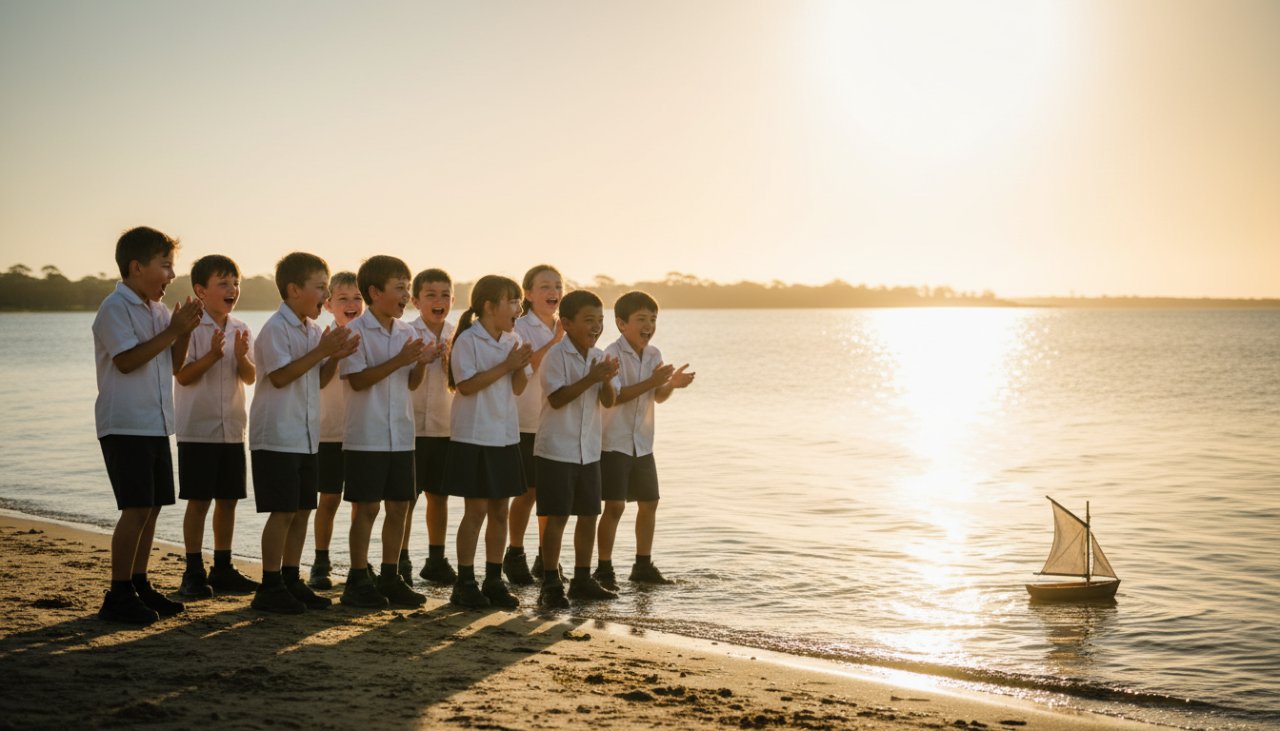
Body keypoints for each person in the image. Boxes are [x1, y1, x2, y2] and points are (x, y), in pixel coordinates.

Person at [93, 226, 202, 624]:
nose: (172, 275)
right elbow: (125, 361)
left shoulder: (158, 311)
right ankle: (118, 593)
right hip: (124, 424)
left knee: (153, 508)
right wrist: (174, 330)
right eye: (166, 265)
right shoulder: (114, 308)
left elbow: (172, 366)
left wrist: (183, 333)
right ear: (136, 267)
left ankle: (138, 583)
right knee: (136, 508)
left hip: (156, 423)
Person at [249, 252, 358, 613]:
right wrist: (323, 351)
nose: (326, 297)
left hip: (306, 435)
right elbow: (279, 377)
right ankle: (269, 584)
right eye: (321, 289)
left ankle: (292, 579)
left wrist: (335, 355)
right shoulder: (275, 329)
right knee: (281, 512)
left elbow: (320, 379)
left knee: (301, 511)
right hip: (277, 434)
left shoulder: (313, 331)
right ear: (294, 289)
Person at [337, 255, 429, 609]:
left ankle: (391, 576)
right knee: (366, 509)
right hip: (366, 433)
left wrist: (420, 363)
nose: (406, 295)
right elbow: (358, 381)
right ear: (374, 292)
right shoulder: (354, 332)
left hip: (402, 433)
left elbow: (411, 382)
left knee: (400, 507)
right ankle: (357, 579)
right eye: (400, 289)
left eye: (408, 288)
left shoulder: (408, 332)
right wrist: (402, 360)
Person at [594, 291, 695, 589]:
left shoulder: (654, 354)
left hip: (643, 443)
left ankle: (642, 565)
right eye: (642, 319)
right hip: (613, 442)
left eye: (653, 319)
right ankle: (603, 569)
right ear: (622, 323)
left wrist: (672, 385)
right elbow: (616, 397)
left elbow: (658, 397)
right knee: (614, 506)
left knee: (650, 502)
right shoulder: (610, 354)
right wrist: (653, 381)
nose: (649, 325)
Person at [442, 275, 532, 609]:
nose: (518, 309)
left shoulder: (512, 338)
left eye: (519, 302)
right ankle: (464, 582)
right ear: (488, 306)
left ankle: (493, 580)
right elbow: (465, 385)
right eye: (512, 301)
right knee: (476, 510)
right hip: (473, 435)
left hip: (505, 435)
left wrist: (520, 366)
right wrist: (508, 364)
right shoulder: (468, 339)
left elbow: (519, 388)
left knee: (500, 510)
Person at [175, 254, 258, 598]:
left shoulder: (241, 327)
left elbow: (251, 377)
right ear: (200, 290)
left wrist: (240, 358)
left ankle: (222, 567)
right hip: (198, 428)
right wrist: (211, 355)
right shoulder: (190, 326)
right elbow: (182, 375)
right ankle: (193, 570)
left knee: (228, 500)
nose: (232, 289)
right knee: (199, 501)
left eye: (235, 283)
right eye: (223, 283)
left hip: (233, 428)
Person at [532, 290, 619, 609]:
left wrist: (606, 380)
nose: (596, 327)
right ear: (566, 323)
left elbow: (608, 401)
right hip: (557, 449)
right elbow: (556, 398)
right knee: (556, 518)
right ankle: (551, 582)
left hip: (589, 450)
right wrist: (592, 377)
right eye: (589, 320)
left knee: (588, 515)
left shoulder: (599, 357)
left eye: (600, 321)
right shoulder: (556, 356)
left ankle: (582, 580)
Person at [504, 264, 564, 585]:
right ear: (528, 293)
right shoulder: (521, 327)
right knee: (527, 492)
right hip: (526, 421)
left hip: (557, 423)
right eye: (544, 286)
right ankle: (514, 554)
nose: (553, 291)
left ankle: (547, 557)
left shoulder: (564, 326)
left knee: (550, 495)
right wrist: (556, 341)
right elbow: (527, 365)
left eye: (557, 286)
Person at [308, 271, 363, 590]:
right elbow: (318, 381)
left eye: (357, 298)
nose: (351, 304)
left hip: (362, 433)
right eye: (343, 298)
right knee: (328, 499)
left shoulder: (372, 335)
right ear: (328, 304)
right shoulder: (320, 337)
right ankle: (321, 560)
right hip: (328, 431)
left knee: (363, 501)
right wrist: (334, 354)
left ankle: (359, 561)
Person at [405, 268, 456, 585]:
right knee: (405, 500)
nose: (439, 301)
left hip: (445, 428)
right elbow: (404, 383)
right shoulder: (405, 333)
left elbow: (462, 384)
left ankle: (436, 559)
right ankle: (400, 560)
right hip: (409, 430)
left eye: (445, 295)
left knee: (440, 497)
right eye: (431, 295)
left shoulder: (458, 333)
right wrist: (422, 360)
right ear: (415, 300)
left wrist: (451, 362)